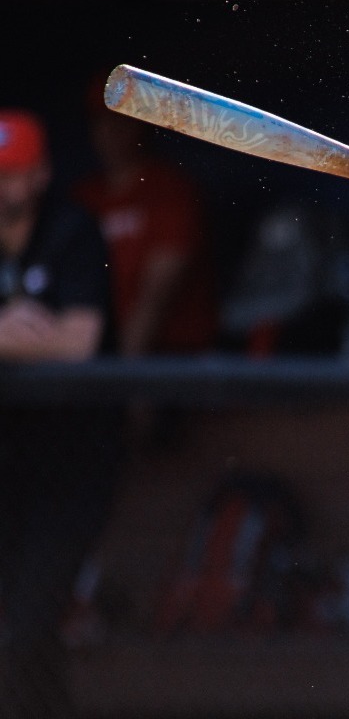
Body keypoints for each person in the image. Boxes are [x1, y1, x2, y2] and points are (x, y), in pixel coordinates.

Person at [0, 109, 120, 718]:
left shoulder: (73, 231)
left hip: (73, 467)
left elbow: (76, 343)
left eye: (13, 173)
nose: (3, 187)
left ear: (40, 174)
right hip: (7, 466)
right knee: (20, 636)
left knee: (27, 627)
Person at [75, 84, 217, 357]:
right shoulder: (84, 196)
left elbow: (156, 296)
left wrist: (127, 373)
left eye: (121, 119)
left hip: (171, 357)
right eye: (102, 120)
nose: (112, 130)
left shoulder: (170, 190)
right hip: (97, 353)